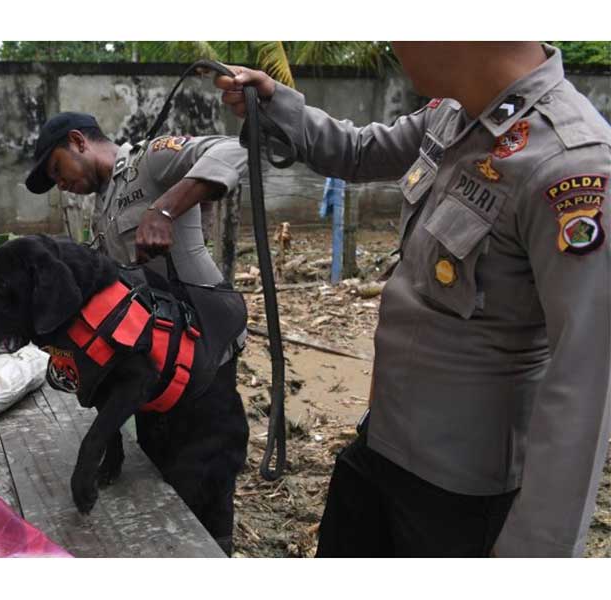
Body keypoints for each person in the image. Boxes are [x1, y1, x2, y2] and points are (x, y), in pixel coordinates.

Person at [215, 42, 611, 557]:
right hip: (383, 444)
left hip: (460, 495)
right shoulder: (453, 114)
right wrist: (276, 106)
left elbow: (585, 382)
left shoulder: (570, 163)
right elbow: (359, 151)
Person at [24, 112, 249, 555]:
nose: (61, 184)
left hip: (205, 358)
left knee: (206, 477)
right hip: (155, 366)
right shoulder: (103, 208)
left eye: (57, 170)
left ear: (78, 141)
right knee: (163, 472)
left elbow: (233, 149)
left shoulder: (151, 162)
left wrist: (165, 209)